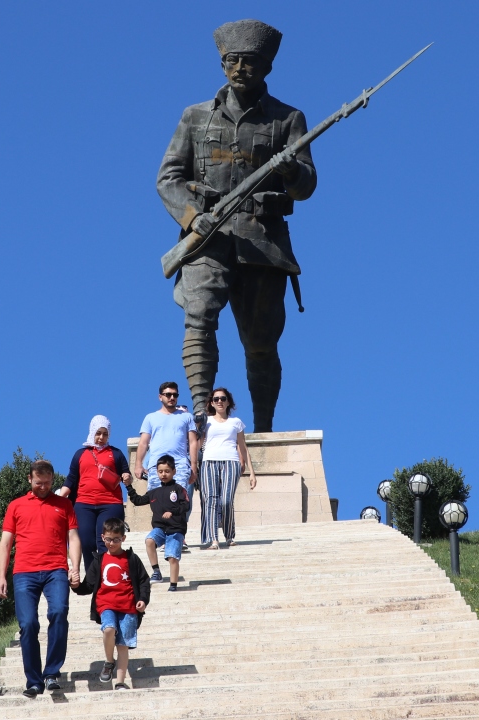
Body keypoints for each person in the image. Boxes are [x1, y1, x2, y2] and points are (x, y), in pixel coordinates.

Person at [157, 19, 317, 430]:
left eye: (249, 61)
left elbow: (306, 186)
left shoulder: (287, 118)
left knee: (261, 342)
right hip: (207, 237)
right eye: (232, 61)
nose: (240, 68)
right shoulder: (194, 116)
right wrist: (194, 217)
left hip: (262, 240)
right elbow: (169, 178)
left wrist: (291, 170)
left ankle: (262, 427)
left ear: (266, 67)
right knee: (198, 315)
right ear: (222, 64)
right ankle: (198, 413)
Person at [0, 459, 82, 697]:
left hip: (56, 570)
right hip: (24, 572)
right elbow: (5, 543)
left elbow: (73, 538)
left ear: (52, 480)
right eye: (38, 483)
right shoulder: (16, 506)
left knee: (59, 613)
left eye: (47, 482)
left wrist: (75, 567)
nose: (43, 487)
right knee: (28, 624)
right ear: (29, 479)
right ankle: (34, 681)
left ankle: (51, 673)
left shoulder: (64, 504)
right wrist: (1, 575)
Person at [72, 518, 151, 690]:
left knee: (122, 646)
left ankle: (120, 682)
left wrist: (143, 600)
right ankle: (109, 661)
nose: (112, 543)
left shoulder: (131, 559)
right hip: (106, 604)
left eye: (116, 539)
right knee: (108, 629)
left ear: (123, 538)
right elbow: (88, 585)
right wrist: (75, 585)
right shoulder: (99, 560)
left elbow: (144, 581)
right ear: (102, 537)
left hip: (128, 608)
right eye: (108, 539)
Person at [58, 415, 132, 573]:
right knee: (86, 542)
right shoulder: (80, 454)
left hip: (110, 504)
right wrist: (56, 499)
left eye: (105, 434)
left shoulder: (116, 453)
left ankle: (106, 575)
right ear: (92, 432)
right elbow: (71, 480)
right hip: (84, 505)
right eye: (98, 433)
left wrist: (127, 477)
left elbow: (126, 474)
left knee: (105, 541)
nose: (101, 437)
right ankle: (93, 577)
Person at [199, 387, 256, 549]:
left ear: (228, 402)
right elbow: (198, 442)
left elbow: (243, 447)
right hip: (209, 461)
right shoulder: (207, 421)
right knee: (211, 500)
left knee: (226, 500)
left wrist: (252, 472)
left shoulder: (236, 422)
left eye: (223, 398)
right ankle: (213, 539)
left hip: (231, 462)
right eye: (216, 399)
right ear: (211, 403)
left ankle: (229, 535)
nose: (220, 401)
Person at [125, 455, 191, 591]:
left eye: (167, 471)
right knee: (149, 540)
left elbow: (186, 506)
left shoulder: (179, 489)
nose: (163, 474)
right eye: (160, 471)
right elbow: (137, 500)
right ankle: (156, 571)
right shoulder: (154, 493)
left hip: (176, 530)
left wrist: (173, 512)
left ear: (174, 471)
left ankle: (173, 585)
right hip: (160, 529)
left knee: (172, 557)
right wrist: (128, 486)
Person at [133, 382, 199, 514]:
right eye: (168, 394)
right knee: (157, 503)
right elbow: (143, 443)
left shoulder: (187, 417)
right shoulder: (150, 418)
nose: (172, 397)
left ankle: (178, 527)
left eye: (175, 395)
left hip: (179, 466)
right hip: (156, 466)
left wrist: (193, 466)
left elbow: (193, 442)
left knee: (178, 502)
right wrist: (138, 464)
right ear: (160, 397)